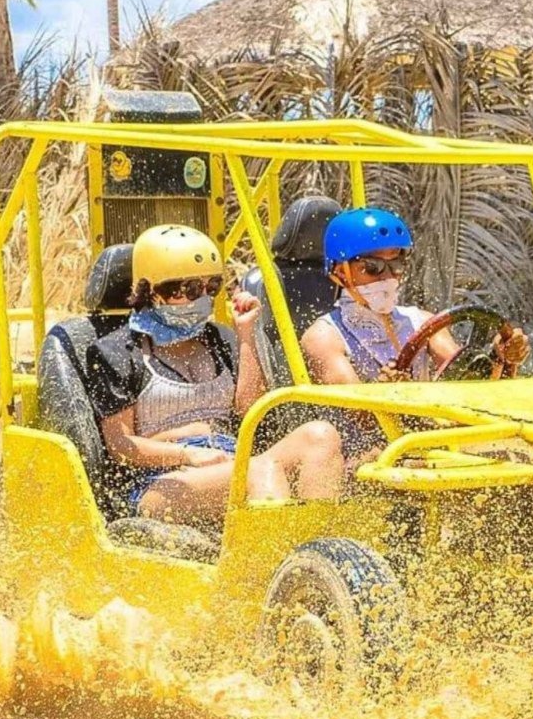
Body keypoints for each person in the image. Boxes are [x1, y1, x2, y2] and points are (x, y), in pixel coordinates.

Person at [87, 223, 345, 525]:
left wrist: (246, 334)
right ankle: (280, 560)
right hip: (160, 479)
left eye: (212, 288)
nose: (204, 299)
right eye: (191, 289)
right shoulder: (118, 351)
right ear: (151, 291)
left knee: (320, 435)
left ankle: (320, 546)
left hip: (229, 457)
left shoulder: (219, 340)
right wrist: (188, 455)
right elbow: (121, 447)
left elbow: (251, 409)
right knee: (259, 469)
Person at [301, 206, 530, 385]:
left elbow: (464, 381)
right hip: (366, 444)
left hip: (424, 435)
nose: (388, 276)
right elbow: (357, 415)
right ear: (341, 272)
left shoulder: (422, 321)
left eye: (397, 265)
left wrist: (501, 357)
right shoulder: (324, 337)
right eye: (373, 267)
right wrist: (384, 394)